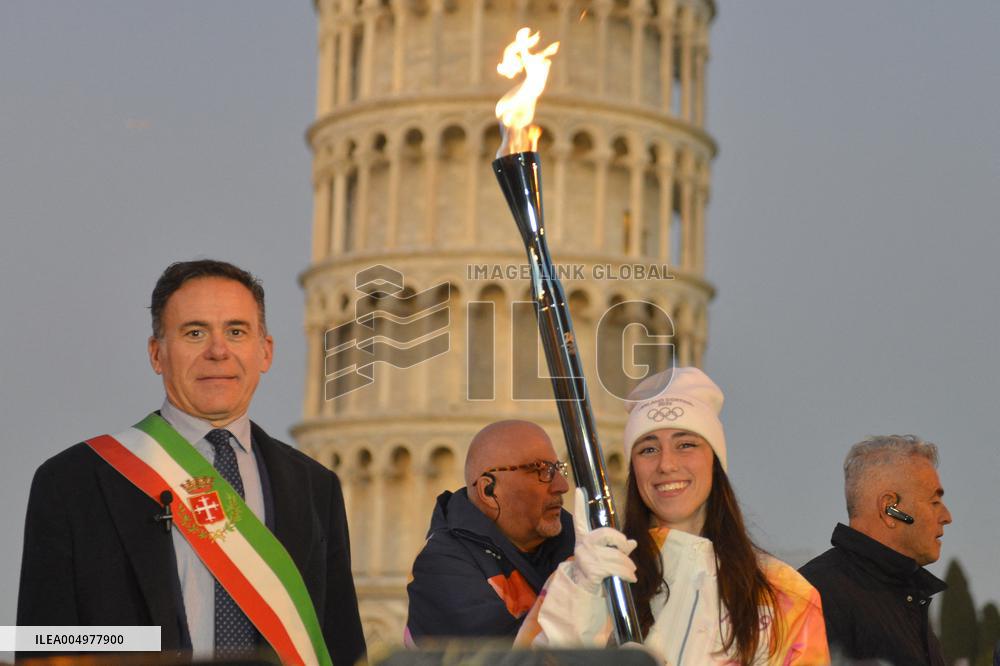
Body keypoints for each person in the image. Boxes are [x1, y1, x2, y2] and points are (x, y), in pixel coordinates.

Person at [17, 259, 365, 665]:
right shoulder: (74, 482)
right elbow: (44, 643)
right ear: (157, 353)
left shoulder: (314, 486)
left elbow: (341, 646)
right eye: (194, 333)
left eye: (236, 332)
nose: (218, 351)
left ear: (265, 352)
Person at [519, 367, 830, 665]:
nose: (666, 464)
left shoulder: (785, 595)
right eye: (648, 449)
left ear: (715, 462)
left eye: (686, 444)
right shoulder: (585, 576)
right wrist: (581, 601)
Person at [405, 420, 575, 644]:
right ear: (489, 490)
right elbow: (502, 659)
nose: (562, 485)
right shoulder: (441, 568)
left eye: (558, 469)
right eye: (541, 470)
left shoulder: (578, 541)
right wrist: (582, 594)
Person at [799, 435, 952, 666]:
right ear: (890, 508)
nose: (946, 517)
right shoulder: (814, 597)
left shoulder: (906, 596)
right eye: (934, 502)